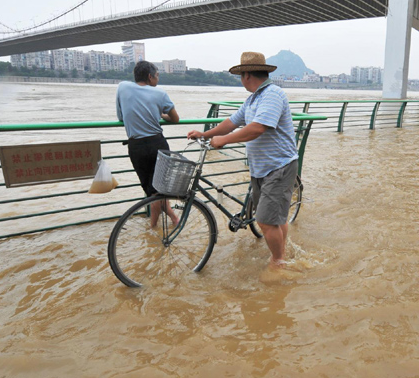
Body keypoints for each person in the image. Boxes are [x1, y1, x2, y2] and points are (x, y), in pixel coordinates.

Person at [187, 51, 299, 267]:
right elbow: (232, 121)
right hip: (261, 168)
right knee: (275, 218)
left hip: (279, 167)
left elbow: (257, 128)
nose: (241, 80)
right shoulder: (253, 99)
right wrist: (206, 134)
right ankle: (282, 252)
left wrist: (224, 140)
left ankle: (278, 262)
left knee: (265, 220)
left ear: (247, 75)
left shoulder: (273, 95)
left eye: (241, 76)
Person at [116, 61, 180, 228]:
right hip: (157, 143)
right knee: (156, 191)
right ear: (150, 77)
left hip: (136, 146)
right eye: (157, 75)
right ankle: (161, 225)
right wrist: (162, 116)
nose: (158, 79)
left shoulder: (122, 87)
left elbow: (121, 117)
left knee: (152, 191)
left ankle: (155, 227)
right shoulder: (160, 94)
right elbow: (175, 118)